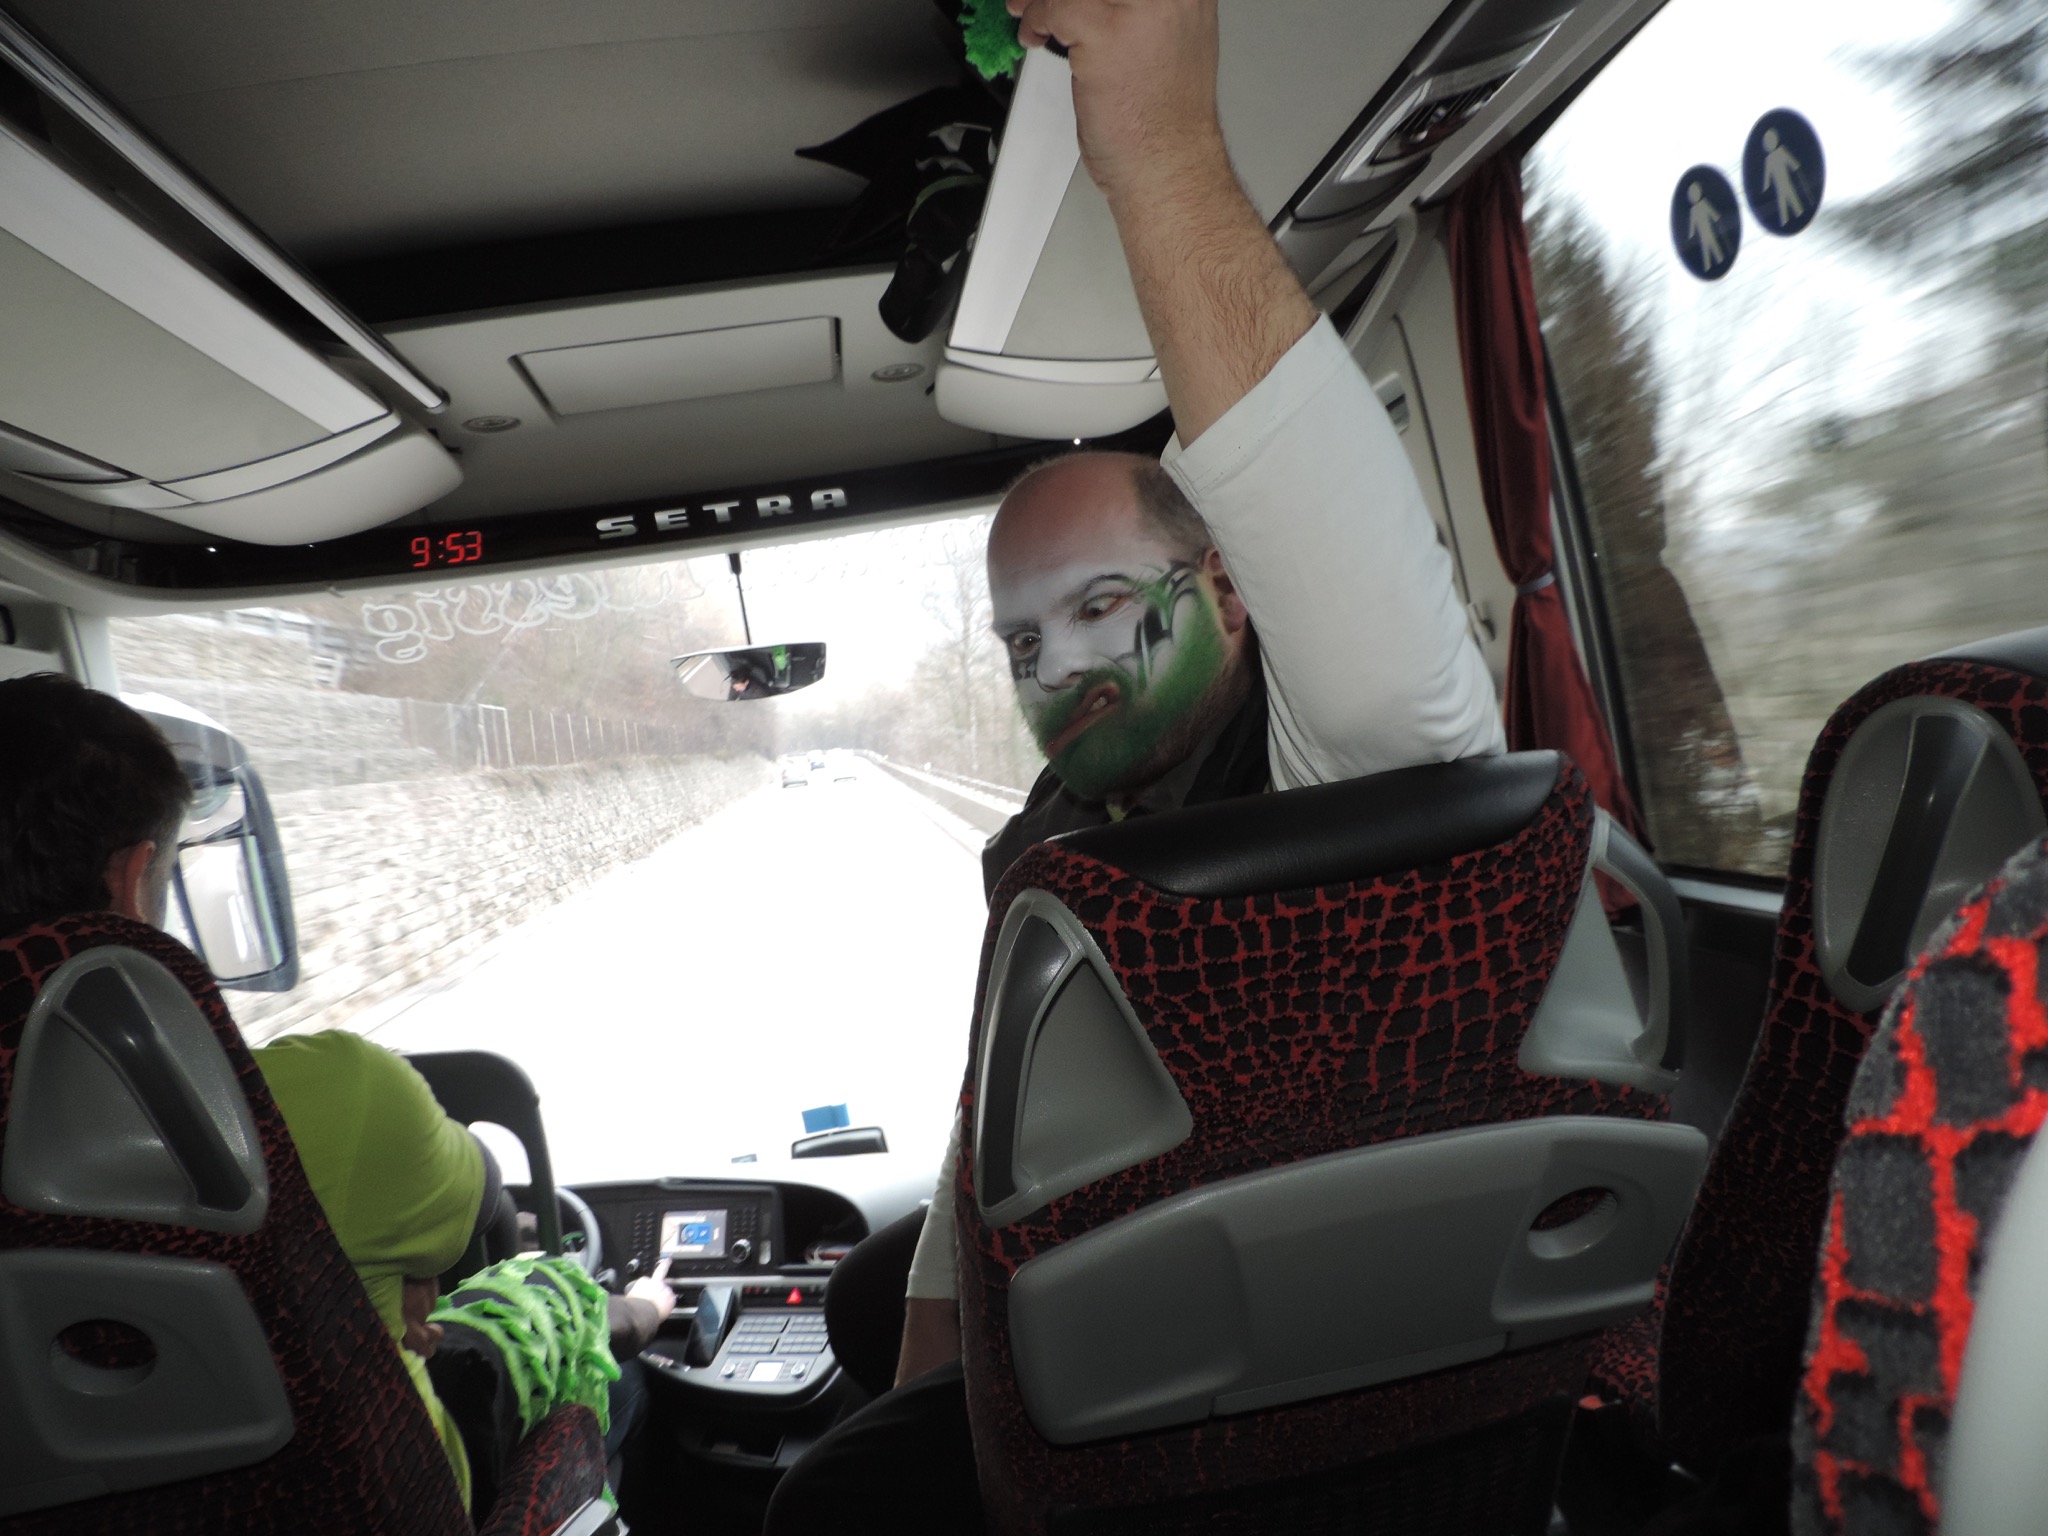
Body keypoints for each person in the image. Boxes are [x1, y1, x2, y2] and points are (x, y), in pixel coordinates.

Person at [766, 1, 1502, 1527]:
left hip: (1286, 1359)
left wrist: (1156, 148)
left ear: (1226, 587)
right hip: (1129, 1270)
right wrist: (934, 1349)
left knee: (827, 1504)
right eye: (1022, 641)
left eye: (1104, 605)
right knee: (865, 1295)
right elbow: (997, 1118)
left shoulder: (1346, 766)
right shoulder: (1056, 835)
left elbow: (1331, 529)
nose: (1062, 670)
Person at [0, 672, 676, 1517]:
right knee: (576, 1329)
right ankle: (644, 1310)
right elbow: (479, 1206)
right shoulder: (326, 1095)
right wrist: (413, 1269)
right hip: (383, 1499)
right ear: (137, 881)